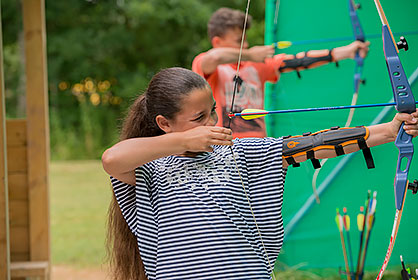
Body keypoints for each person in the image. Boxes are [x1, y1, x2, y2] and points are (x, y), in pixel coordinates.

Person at [102, 67, 418, 280]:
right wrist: (182, 141)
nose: (212, 122)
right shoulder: (150, 169)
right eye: (198, 118)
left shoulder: (241, 153)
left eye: (212, 110)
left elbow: (315, 144)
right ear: (164, 124)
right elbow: (111, 159)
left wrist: (389, 131)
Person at [192, 7, 370, 138]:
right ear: (217, 41)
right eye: (239, 41)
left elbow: (298, 61)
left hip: (259, 148)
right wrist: (250, 54)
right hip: (223, 148)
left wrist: (345, 52)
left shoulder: (256, 65)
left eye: (245, 40)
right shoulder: (206, 65)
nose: (245, 45)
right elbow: (213, 58)